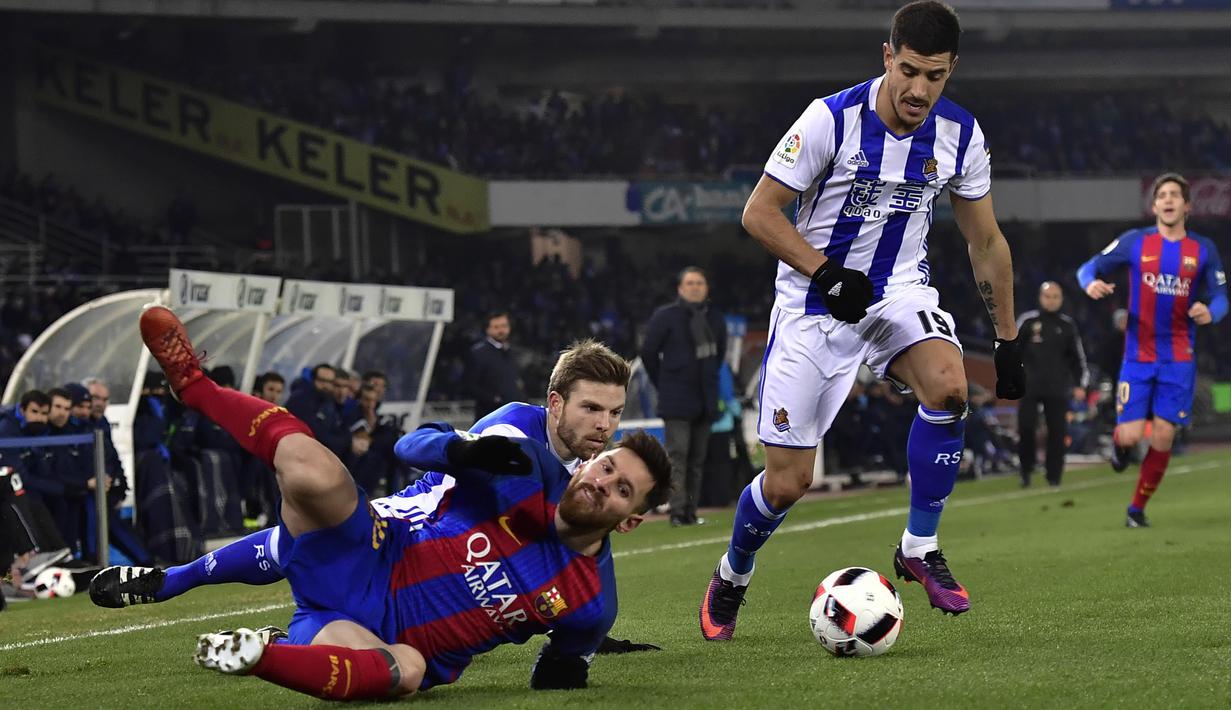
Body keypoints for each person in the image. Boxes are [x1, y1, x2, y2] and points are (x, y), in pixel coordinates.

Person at [133, 306, 672, 699]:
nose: (604, 427)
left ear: (631, 519)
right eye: (592, 409)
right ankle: (195, 389)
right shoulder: (516, 438)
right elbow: (413, 447)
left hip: (376, 615)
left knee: (406, 671)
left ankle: (259, 651)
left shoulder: (575, 496)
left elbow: (572, 610)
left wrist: (592, 637)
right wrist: (465, 451)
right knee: (312, 475)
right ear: (555, 403)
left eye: (615, 414)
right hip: (390, 536)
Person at [700, 0, 1025, 639]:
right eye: (909, 71)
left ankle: (918, 545)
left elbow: (985, 242)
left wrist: (1007, 339)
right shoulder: (830, 119)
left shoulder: (962, 135)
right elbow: (760, 212)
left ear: (951, 69)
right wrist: (824, 272)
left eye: (935, 76)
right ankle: (732, 575)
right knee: (788, 483)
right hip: (813, 305)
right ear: (887, 56)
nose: (919, 89)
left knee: (950, 387)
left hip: (897, 293)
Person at [1077, 172, 1227, 527]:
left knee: (1163, 435)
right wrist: (1091, 284)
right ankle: (1119, 444)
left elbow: (1221, 296)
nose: (1169, 200)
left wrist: (1211, 311)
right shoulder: (1135, 242)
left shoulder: (1202, 249)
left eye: (1176, 194)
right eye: (1163, 195)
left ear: (1186, 206)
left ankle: (1136, 509)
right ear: (1155, 204)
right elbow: (1089, 267)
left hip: (1178, 358)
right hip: (1137, 356)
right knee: (1130, 435)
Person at [640, 267, 727, 526]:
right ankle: (677, 512)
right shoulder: (666, 316)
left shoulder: (715, 318)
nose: (695, 287)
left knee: (697, 460)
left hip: (705, 398)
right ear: (680, 288)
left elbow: (718, 356)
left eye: (700, 283)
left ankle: (690, 511)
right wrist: (665, 383)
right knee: (678, 456)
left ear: (706, 288)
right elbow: (648, 353)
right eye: (690, 283)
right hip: (676, 399)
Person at [1015, 282, 1089, 488]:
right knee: (1026, 428)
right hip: (1030, 386)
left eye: (1056, 297)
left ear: (1061, 299)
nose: (1052, 300)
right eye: (1048, 296)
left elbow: (1078, 358)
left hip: (1057, 387)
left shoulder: (1067, 325)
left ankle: (1054, 476)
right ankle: (1026, 471)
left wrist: (1080, 385)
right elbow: (1012, 352)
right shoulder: (1028, 322)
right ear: (1040, 297)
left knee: (1057, 431)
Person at [465, 311, 525, 420]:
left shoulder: (512, 351)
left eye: (504, 326)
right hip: (489, 416)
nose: (501, 330)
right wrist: (494, 399)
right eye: (496, 327)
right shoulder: (478, 352)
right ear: (488, 330)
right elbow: (469, 385)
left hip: (513, 415)